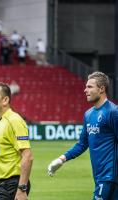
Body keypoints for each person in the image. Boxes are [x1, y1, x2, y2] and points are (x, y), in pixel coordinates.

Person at [48, 72, 118, 200]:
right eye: (86, 87)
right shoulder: (89, 114)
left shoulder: (113, 112)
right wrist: (61, 159)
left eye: (90, 87)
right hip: (99, 175)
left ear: (102, 89)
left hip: (109, 177)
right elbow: (82, 144)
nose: (85, 90)